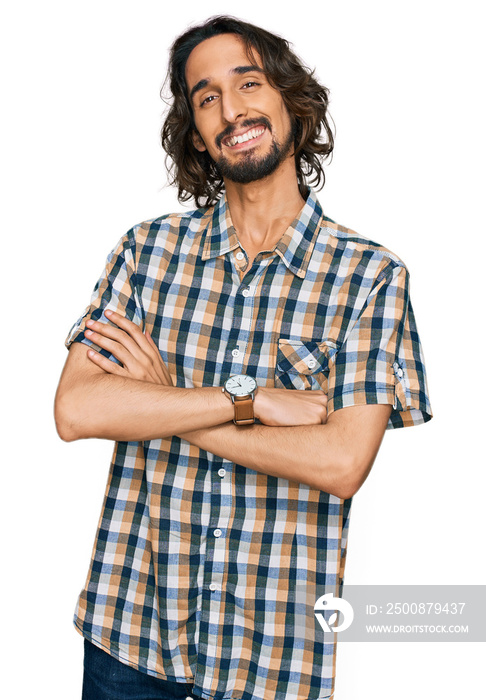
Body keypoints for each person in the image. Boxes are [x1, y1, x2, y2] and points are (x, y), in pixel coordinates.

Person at [55, 15, 432, 700]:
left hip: (273, 662)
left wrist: (164, 406)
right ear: (195, 133)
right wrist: (251, 401)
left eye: (249, 83)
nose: (231, 110)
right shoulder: (146, 254)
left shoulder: (370, 277)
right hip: (128, 640)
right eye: (206, 98)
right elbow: (77, 409)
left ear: (290, 100)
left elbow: (342, 463)